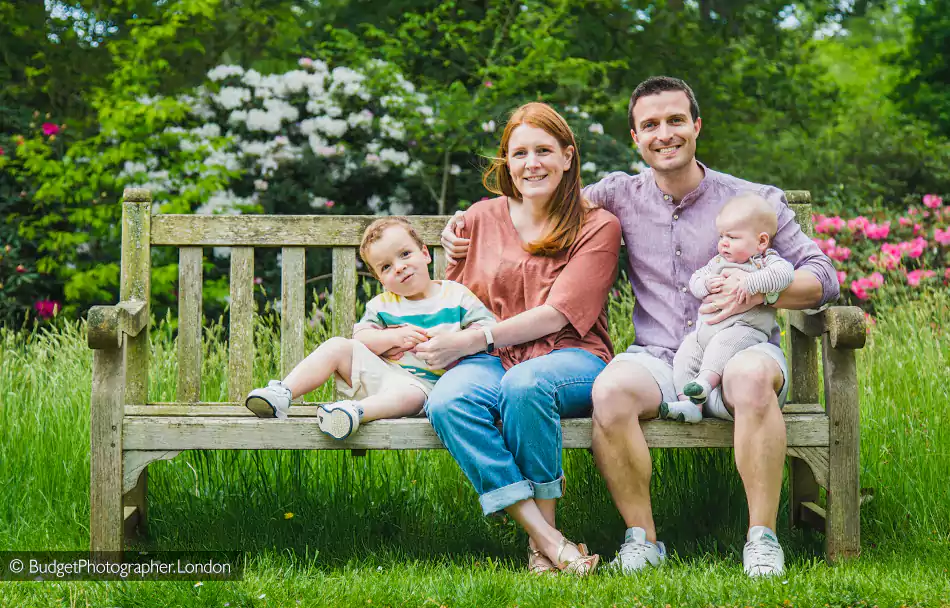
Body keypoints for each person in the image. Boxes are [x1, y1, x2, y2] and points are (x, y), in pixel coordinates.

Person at [441, 78, 839, 577]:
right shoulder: (616, 196)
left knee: (751, 378)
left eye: (675, 120)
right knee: (610, 390)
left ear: (696, 126)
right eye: (649, 125)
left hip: (742, 347)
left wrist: (760, 290)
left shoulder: (751, 200)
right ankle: (642, 539)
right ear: (635, 137)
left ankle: (762, 538)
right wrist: (462, 229)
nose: (664, 134)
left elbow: (823, 277)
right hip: (658, 357)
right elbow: (536, 203)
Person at [416, 102, 621, 576]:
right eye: (520, 153)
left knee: (526, 385)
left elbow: (558, 314)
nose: (532, 163)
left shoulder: (597, 225)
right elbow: (456, 295)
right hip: (496, 357)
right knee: (448, 401)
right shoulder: (479, 219)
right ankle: (548, 540)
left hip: (572, 356)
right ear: (506, 161)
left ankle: (540, 550)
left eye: (544, 150)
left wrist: (473, 341)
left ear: (568, 156)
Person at [244, 217, 496, 440]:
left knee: (414, 396)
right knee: (337, 346)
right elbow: (361, 337)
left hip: (427, 387)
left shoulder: (455, 295)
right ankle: (282, 394)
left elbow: (486, 329)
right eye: (386, 267)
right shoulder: (383, 304)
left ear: (425, 254)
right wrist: (391, 337)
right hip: (383, 374)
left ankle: (353, 413)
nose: (398, 267)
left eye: (405, 254)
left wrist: (454, 342)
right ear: (380, 279)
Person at [662, 193, 795, 423]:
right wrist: (705, 284)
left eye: (732, 237)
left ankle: (705, 381)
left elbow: (785, 275)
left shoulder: (765, 262)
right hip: (704, 334)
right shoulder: (717, 262)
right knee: (684, 355)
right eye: (722, 235)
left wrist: (751, 284)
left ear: (761, 241)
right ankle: (690, 404)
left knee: (722, 345)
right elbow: (695, 279)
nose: (723, 242)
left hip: (744, 330)